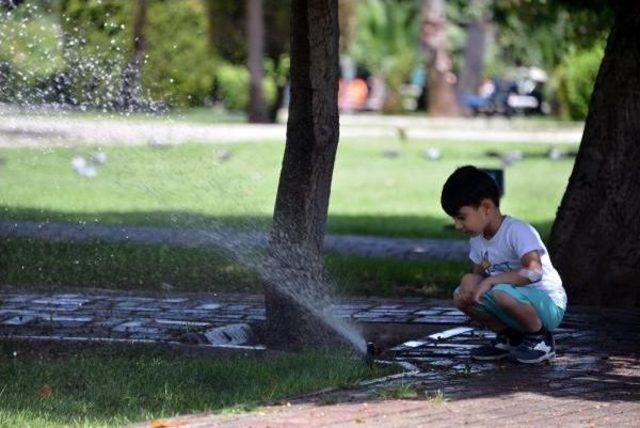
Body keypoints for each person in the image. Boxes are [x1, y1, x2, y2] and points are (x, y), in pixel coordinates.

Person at [440, 166, 567, 364]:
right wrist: (470, 280)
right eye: (454, 219)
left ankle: (541, 339)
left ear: (486, 208)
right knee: (462, 296)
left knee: (500, 291)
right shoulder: (477, 240)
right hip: (512, 299)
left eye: (461, 217)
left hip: (548, 303)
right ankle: (511, 338)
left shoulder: (516, 231)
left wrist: (493, 280)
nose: (457, 225)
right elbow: (479, 278)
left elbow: (534, 272)